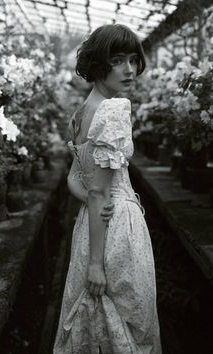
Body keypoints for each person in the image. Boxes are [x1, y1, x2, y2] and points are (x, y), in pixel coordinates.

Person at [53, 24, 162, 354]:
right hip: (116, 231)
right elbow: (101, 191)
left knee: (96, 321)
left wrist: (90, 199)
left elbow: (75, 179)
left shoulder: (84, 111)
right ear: (99, 64)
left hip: (91, 225)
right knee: (127, 321)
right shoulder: (114, 110)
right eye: (118, 60)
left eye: (132, 59)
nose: (129, 69)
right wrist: (97, 264)